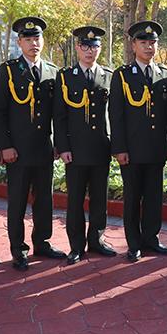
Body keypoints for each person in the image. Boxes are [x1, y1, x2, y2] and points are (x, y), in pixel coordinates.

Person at [0, 16, 64, 271]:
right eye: (28, 39)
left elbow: (58, 113)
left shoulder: (51, 71)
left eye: (37, 38)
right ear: (19, 42)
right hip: (18, 151)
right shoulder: (8, 70)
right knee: (18, 201)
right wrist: (5, 145)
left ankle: (42, 243)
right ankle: (18, 249)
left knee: (45, 199)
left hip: (44, 149)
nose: (34, 43)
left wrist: (58, 142)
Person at [109, 20, 167, 262]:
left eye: (152, 43)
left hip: (157, 149)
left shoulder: (165, 75)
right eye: (143, 42)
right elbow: (115, 116)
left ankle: (151, 238)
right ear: (133, 45)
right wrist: (120, 148)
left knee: (154, 196)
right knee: (133, 197)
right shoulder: (123, 75)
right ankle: (134, 243)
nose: (149, 47)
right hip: (132, 150)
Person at [54, 26, 116, 265]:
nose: (91, 51)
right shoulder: (66, 76)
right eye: (86, 46)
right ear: (78, 48)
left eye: (95, 46)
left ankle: (97, 240)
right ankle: (76, 245)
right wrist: (63, 147)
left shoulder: (108, 76)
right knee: (75, 200)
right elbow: (59, 116)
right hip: (76, 150)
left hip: (100, 147)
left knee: (100, 199)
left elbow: (114, 114)